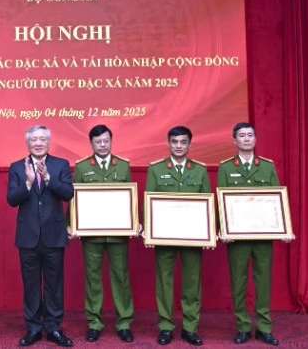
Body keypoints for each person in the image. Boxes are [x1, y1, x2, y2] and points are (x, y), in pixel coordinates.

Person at [217, 122, 292, 346]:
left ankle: (264, 327)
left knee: (263, 282)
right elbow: (221, 201)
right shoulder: (226, 168)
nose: (246, 139)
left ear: (255, 139)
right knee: (238, 283)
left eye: (250, 135)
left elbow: (277, 200)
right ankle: (242, 326)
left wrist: (284, 227)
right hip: (237, 238)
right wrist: (223, 229)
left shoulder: (267, 167)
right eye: (242, 135)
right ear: (235, 141)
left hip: (262, 236)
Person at [7, 125, 75, 347]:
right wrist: (27, 183)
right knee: (31, 285)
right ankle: (34, 328)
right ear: (27, 143)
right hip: (28, 237)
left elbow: (68, 193)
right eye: (34, 139)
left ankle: (53, 327)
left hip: (54, 235)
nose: (38, 143)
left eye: (42, 139)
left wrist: (47, 178)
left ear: (48, 142)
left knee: (54, 285)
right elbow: (11, 199)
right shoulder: (17, 167)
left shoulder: (60, 165)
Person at [145, 126, 209, 346]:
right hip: (164, 236)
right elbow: (149, 202)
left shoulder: (200, 170)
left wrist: (208, 232)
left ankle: (190, 328)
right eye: (174, 142)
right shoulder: (156, 169)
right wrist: (149, 231)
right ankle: (166, 327)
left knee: (192, 282)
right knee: (164, 282)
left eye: (183, 142)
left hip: (193, 236)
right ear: (168, 143)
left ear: (189, 144)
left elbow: (207, 203)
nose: (179, 146)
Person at [70, 125, 135, 343]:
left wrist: (135, 221)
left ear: (111, 141)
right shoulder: (82, 167)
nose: (102, 145)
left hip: (118, 233)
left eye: (106, 140)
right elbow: (73, 198)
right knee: (93, 278)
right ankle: (94, 323)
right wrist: (71, 224)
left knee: (121, 277)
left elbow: (130, 198)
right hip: (92, 234)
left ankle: (124, 323)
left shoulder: (123, 166)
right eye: (98, 141)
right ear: (91, 144)